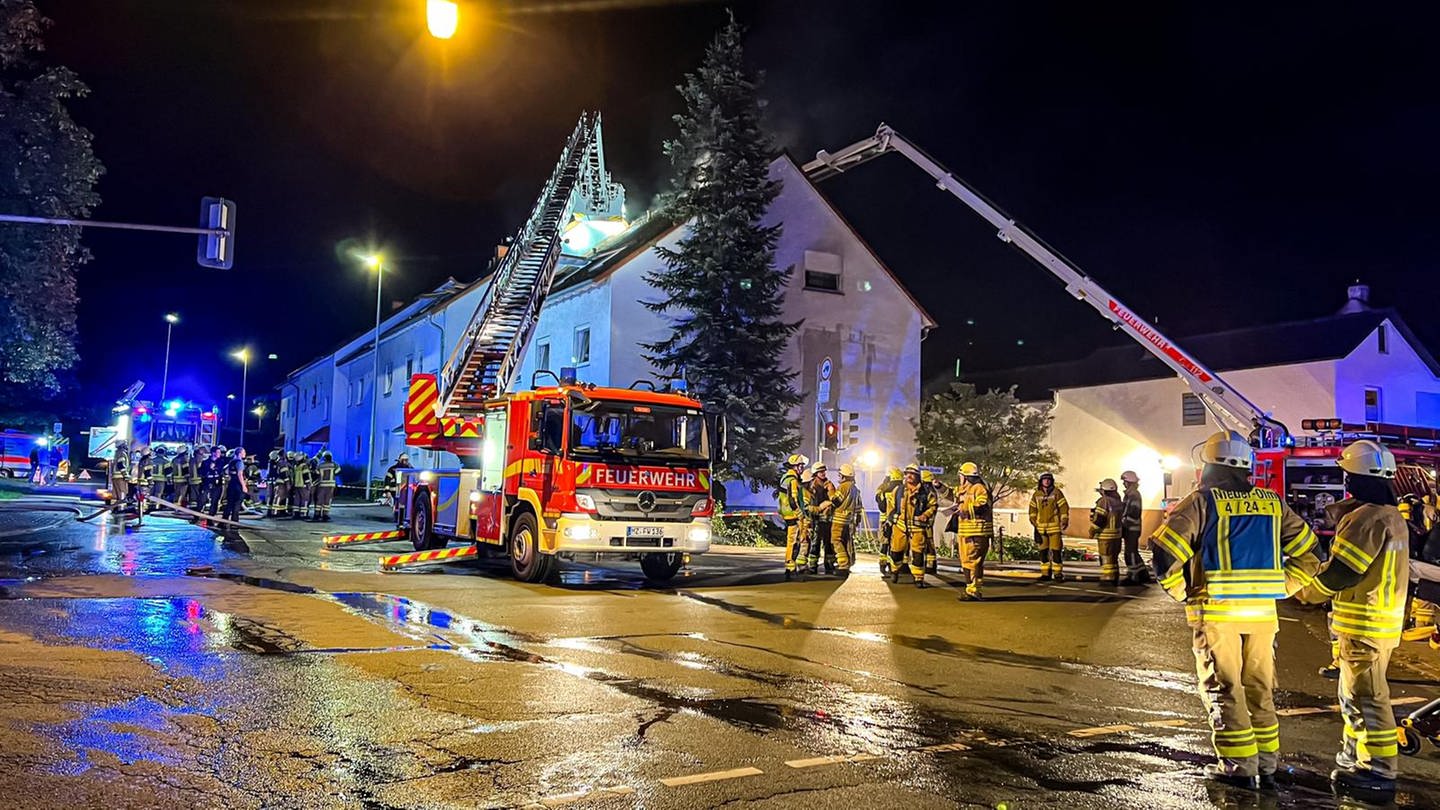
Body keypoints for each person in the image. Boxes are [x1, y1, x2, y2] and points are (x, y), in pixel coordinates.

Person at [1150, 430, 1321, 791]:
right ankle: (1267, 762)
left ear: (1210, 464)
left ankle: (1237, 765)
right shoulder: (1272, 503)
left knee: (1224, 688)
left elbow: (1166, 551)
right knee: (1259, 687)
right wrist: (1284, 585)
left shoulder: (1200, 502)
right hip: (1263, 615)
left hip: (1218, 614)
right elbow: (1311, 552)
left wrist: (1183, 593)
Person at [1294, 440, 1408, 795]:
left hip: (1364, 626)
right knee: (1354, 697)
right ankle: (1355, 757)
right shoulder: (1391, 516)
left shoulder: (1365, 519)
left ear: (1353, 477)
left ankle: (1378, 770)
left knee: (1368, 699)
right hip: (1378, 623)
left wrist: (1306, 592)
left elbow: (1343, 572)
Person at [889, 464, 936, 588]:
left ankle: (918, 578)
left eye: (912, 474)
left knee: (918, 553)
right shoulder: (898, 490)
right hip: (900, 526)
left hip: (917, 527)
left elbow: (933, 506)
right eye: (907, 473)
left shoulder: (925, 492)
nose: (908, 476)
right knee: (896, 551)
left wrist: (926, 514)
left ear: (917, 476)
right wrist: (892, 518)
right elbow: (891, 505)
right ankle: (894, 570)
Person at [955, 462, 993, 601]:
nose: (960, 479)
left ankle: (973, 591)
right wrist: (938, 486)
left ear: (965, 477)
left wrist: (964, 509)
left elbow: (982, 505)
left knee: (971, 562)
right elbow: (952, 495)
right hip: (967, 531)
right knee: (970, 562)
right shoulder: (964, 489)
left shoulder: (979, 488)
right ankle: (973, 589)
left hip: (976, 532)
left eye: (961, 476)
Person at [1029, 472, 1069, 581]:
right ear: (1041, 482)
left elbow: (1064, 507)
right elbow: (1032, 510)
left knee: (1056, 551)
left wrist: (1064, 520)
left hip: (1054, 528)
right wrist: (1034, 521)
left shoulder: (1057, 493)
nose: (1046, 481)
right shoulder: (1036, 495)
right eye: (1044, 479)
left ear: (1052, 481)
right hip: (1041, 529)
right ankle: (1045, 573)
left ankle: (1058, 574)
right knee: (1043, 552)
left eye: (1048, 479)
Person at [778, 454, 811, 581]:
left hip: (787, 513)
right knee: (793, 541)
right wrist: (799, 513)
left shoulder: (785, 477)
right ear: (795, 467)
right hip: (792, 514)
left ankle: (790, 567)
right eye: (801, 466)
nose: (802, 468)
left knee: (792, 540)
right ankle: (790, 567)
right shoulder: (792, 480)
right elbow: (793, 500)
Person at [826, 464, 861, 577]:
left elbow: (836, 500)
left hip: (839, 520)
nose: (839, 477)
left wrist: (831, 490)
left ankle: (843, 564)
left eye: (840, 474)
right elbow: (859, 507)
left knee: (836, 540)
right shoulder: (855, 488)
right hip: (849, 520)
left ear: (844, 476)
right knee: (846, 541)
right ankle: (848, 562)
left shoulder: (844, 486)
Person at [806, 463, 837, 574]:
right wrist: (819, 508)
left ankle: (829, 565)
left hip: (828, 520)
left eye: (824, 471)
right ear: (815, 473)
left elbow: (835, 500)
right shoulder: (812, 486)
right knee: (816, 543)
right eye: (820, 472)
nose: (823, 473)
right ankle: (812, 566)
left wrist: (830, 493)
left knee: (829, 543)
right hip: (816, 519)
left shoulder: (829, 485)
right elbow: (809, 505)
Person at [1091, 479, 1123, 586]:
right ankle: (1114, 576)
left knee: (1106, 557)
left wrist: (1092, 530)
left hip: (1105, 535)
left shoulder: (1103, 501)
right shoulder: (1118, 500)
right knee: (1113, 558)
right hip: (1117, 535)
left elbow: (1100, 518)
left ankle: (1108, 577)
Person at [1120, 470, 1150, 585]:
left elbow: (1132, 512)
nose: (1123, 483)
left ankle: (1133, 576)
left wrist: (1123, 521)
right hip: (1132, 527)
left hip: (1131, 528)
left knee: (1130, 552)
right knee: (1133, 551)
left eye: (1125, 481)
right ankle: (1143, 574)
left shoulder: (1133, 495)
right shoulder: (1131, 494)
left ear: (1129, 482)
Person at [876, 468, 902, 578]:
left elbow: (881, 507)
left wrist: (878, 494)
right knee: (894, 544)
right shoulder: (901, 490)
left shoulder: (883, 490)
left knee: (884, 543)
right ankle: (893, 567)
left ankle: (883, 564)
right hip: (896, 521)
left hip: (884, 520)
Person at [222, 447, 249, 524]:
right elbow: (240, 474)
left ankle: (223, 521)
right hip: (238, 485)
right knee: (237, 504)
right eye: (244, 452)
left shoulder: (231, 462)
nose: (245, 454)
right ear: (240, 453)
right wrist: (244, 486)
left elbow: (226, 471)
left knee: (229, 503)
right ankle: (234, 522)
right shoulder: (240, 462)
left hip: (231, 484)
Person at [313, 450, 338, 522]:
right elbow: (338, 471)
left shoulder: (320, 465)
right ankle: (325, 515)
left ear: (324, 458)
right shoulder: (334, 465)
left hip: (322, 485)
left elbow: (316, 473)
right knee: (327, 501)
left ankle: (317, 515)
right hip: (330, 486)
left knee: (319, 500)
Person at [108, 440, 131, 514]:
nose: (126, 446)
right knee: (122, 493)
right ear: (122, 445)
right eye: (125, 444)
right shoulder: (122, 453)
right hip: (120, 477)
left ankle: (114, 508)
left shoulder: (117, 453)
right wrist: (125, 475)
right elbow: (121, 465)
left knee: (115, 494)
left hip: (115, 477)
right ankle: (121, 509)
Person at [202, 446, 225, 518]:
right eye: (218, 452)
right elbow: (203, 473)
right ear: (213, 453)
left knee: (215, 501)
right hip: (207, 483)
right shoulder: (205, 462)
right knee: (202, 499)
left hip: (217, 484)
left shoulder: (221, 462)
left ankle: (211, 517)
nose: (219, 454)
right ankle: (198, 514)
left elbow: (221, 471)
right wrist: (209, 468)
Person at [268, 449, 290, 518]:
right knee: (279, 497)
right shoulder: (282, 463)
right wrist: (288, 483)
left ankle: (274, 512)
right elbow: (285, 474)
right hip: (281, 483)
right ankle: (275, 512)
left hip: (275, 483)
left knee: (275, 497)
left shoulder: (273, 463)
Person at [289, 451, 311, 520]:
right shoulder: (304, 466)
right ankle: (303, 514)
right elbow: (306, 476)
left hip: (296, 485)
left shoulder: (295, 466)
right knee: (305, 499)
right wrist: (308, 484)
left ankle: (296, 514)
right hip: (303, 485)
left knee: (297, 500)